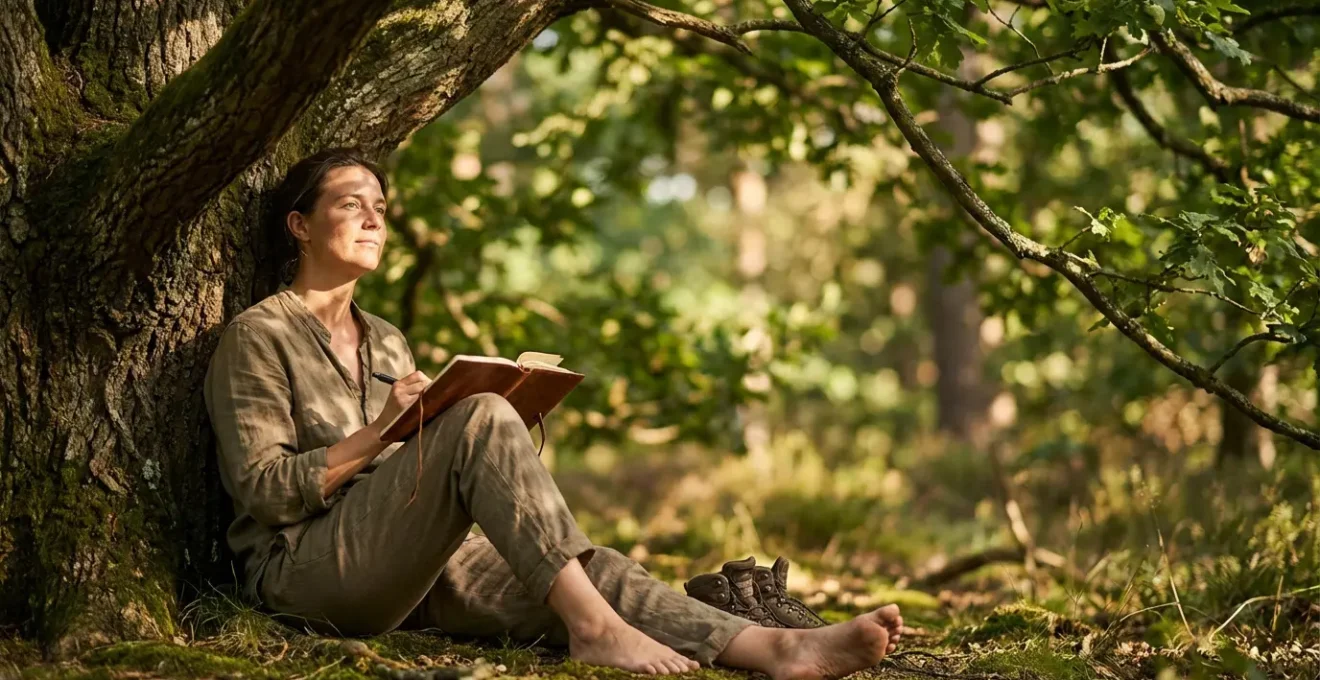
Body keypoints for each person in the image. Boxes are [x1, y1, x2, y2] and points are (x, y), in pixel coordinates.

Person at [204, 148, 904, 678]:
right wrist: (391, 431)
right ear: (299, 224)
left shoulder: (385, 336)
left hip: (407, 566)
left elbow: (405, 474)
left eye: (382, 208)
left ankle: (779, 649)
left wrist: (471, 422)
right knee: (479, 420)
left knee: (582, 567)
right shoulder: (258, 336)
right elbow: (264, 491)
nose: (373, 218)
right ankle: (594, 632)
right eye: (352, 203)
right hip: (307, 572)